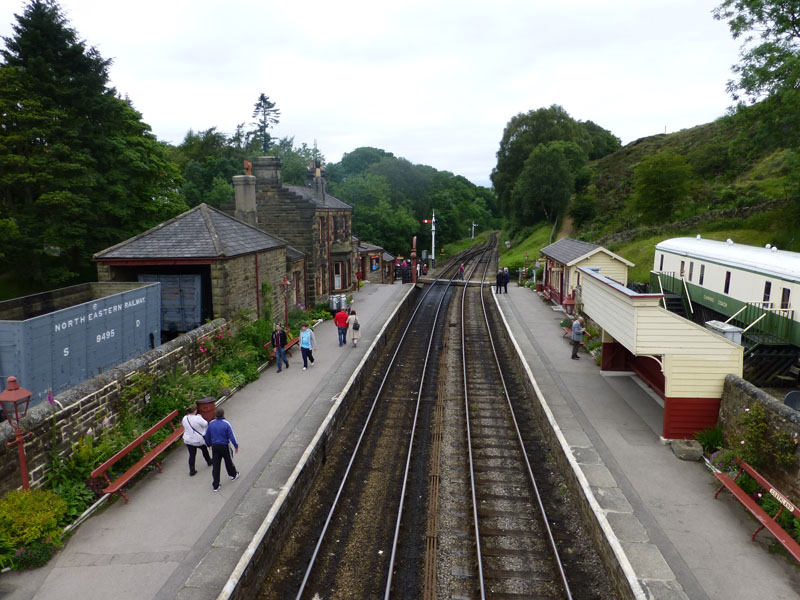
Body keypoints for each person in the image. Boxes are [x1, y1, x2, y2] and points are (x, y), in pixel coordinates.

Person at [204, 407, 239, 492]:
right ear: (223, 414)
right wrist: (236, 446)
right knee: (228, 461)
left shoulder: (211, 423)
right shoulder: (226, 424)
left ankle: (216, 485)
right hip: (224, 446)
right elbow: (232, 436)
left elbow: (207, 435)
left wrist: (209, 444)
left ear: (215, 415)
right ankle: (233, 475)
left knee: (216, 465)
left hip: (215, 447)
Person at [181, 404, 212, 476]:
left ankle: (192, 470)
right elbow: (205, 424)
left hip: (188, 439)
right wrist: (200, 417)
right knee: (204, 450)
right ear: (195, 411)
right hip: (198, 440)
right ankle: (209, 461)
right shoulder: (197, 418)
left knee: (192, 455)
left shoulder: (185, 418)